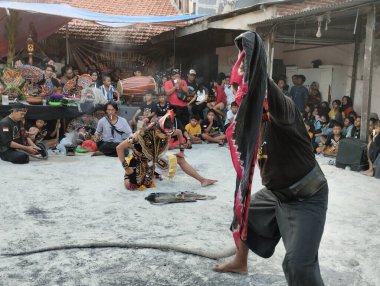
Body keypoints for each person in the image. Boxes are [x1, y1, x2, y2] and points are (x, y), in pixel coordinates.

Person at [213, 32, 328, 286]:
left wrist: (254, 65)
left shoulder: (284, 112)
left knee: (298, 265)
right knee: (242, 210)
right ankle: (241, 262)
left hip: (306, 198)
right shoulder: (251, 125)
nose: (240, 100)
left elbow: (263, 89)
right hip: (275, 195)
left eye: (244, 92)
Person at [116, 111, 217, 190]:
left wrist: (182, 151)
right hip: (139, 161)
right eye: (164, 134)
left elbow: (179, 132)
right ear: (156, 129)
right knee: (130, 186)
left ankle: (203, 180)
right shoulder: (139, 135)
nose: (167, 136)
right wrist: (127, 169)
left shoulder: (167, 131)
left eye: (168, 134)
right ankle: (147, 173)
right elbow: (119, 148)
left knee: (180, 159)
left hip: (155, 159)